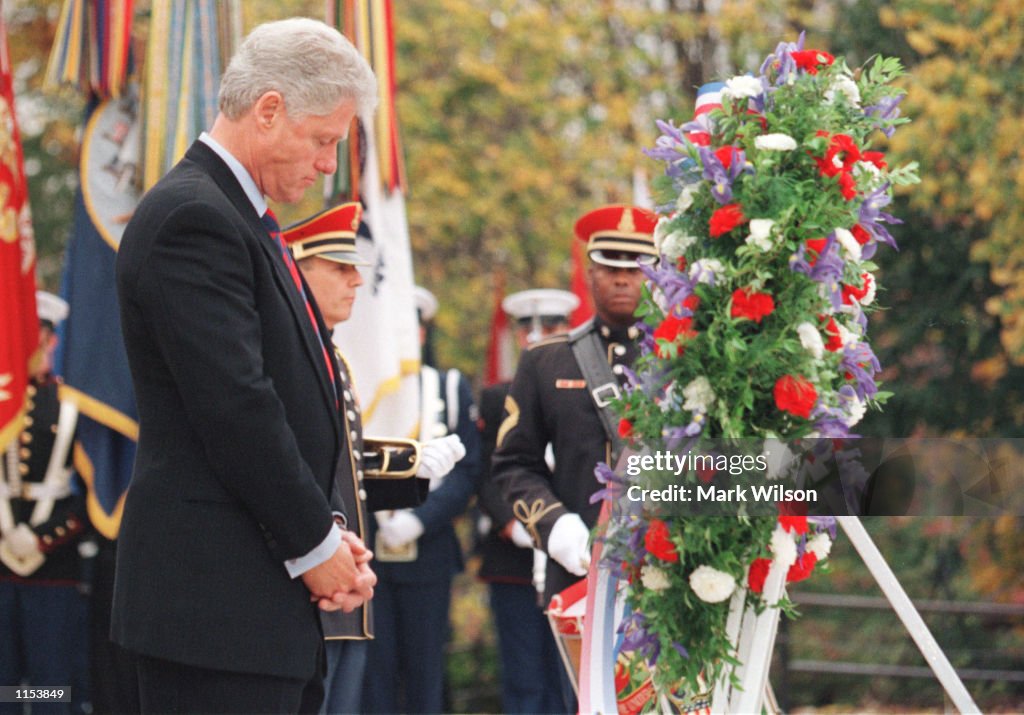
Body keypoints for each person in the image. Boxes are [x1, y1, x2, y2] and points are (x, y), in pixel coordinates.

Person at [113, 19, 379, 714]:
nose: (329, 165)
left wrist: (327, 538)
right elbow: (236, 406)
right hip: (213, 612)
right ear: (268, 109)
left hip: (253, 605)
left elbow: (285, 399)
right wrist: (315, 543)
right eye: (323, 140)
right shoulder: (192, 220)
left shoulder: (240, 218)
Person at [282, 203, 465, 715]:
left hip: (345, 591)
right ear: (297, 270)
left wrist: (413, 462)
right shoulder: (291, 355)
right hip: (314, 587)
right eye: (339, 268)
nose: (357, 281)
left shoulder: (331, 356)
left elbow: (339, 457)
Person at [492, 205, 657, 710]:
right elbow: (513, 464)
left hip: (669, 569)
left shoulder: (688, 356)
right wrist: (555, 527)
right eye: (611, 266)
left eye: (636, 268)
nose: (623, 279)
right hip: (580, 571)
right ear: (591, 271)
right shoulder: (546, 360)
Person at [361, 287, 483, 715]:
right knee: (371, 676)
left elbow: (468, 469)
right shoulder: (359, 386)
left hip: (428, 551)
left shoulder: (448, 387)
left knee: (425, 673)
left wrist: (421, 518)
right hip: (366, 551)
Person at [476, 288, 578, 715]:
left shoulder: (581, 388)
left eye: (553, 327)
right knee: (523, 681)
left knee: (569, 682)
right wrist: (513, 524)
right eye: (529, 328)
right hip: (516, 558)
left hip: (573, 555)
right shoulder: (498, 397)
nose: (539, 336)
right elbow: (487, 472)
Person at [0, 291, 89, 715]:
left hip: (52, 568)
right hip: (0, 567)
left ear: (51, 340)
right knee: (3, 687)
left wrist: (41, 539)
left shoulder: (74, 405)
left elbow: (92, 496)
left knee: (52, 685)